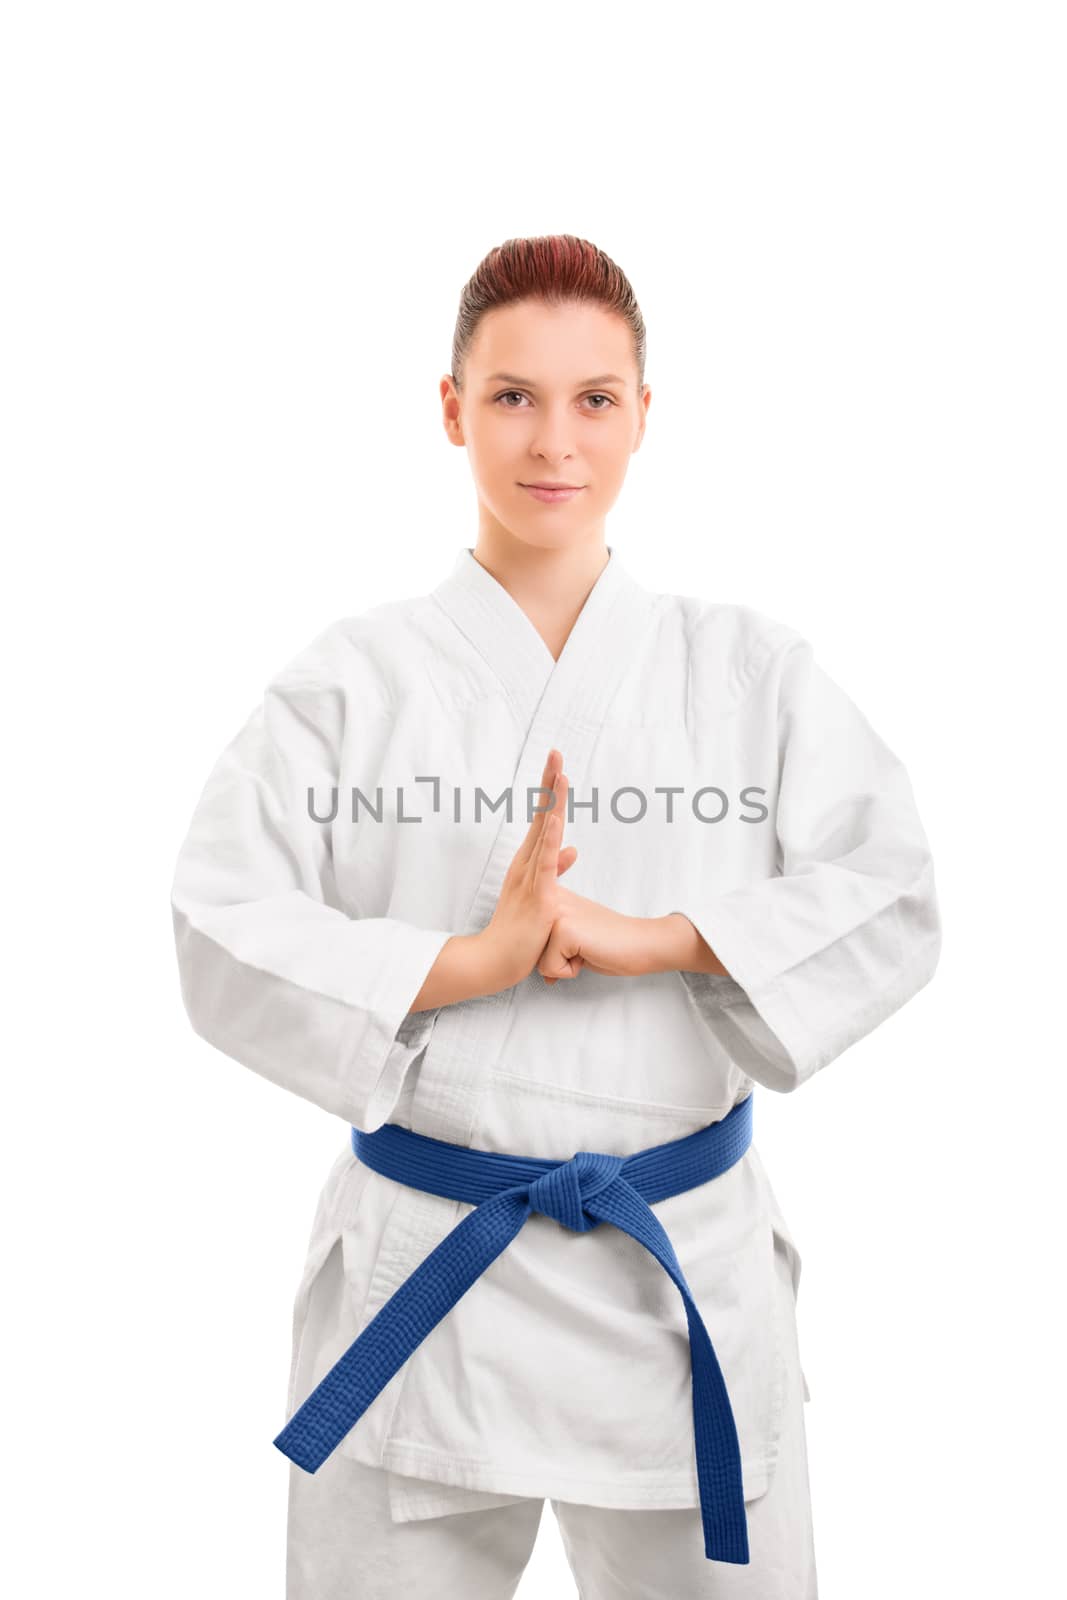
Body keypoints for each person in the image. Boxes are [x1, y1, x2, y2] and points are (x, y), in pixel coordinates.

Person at [170, 233, 941, 1598]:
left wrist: (661, 939)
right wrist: (469, 964)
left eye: (595, 398)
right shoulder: (352, 682)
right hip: (428, 1281)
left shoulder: (749, 671)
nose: (555, 440)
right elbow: (222, 918)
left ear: (647, 414)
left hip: (672, 1276)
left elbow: (892, 890)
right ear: (453, 408)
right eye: (514, 395)